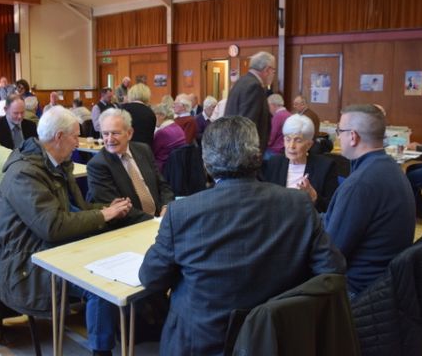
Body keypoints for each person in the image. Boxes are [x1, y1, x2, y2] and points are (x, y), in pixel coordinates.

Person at [139, 116, 345, 356]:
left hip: (201, 340)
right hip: (275, 339)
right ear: (257, 156)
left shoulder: (182, 213)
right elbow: (332, 269)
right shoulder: (298, 203)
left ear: (206, 162)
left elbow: (151, 278)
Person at [0, 106, 131, 356]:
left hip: (56, 250)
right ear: (58, 137)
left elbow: (76, 210)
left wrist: (106, 209)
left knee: (114, 262)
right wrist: (102, 215)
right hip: (28, 265)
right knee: (99, 284)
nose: (79, 142)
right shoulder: (24, 174)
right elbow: (53, 227)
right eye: (75, 137)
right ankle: (102, 351)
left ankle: (126, 328)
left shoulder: (58, 164)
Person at [324, 104, 416, 297]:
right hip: (385, 282)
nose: (338, 136)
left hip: (359, 289)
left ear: (353, 136)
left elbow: (331, 255)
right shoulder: (390, 168)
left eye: (339, 131)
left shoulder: (361, 184)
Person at [87, 108, 174, 226]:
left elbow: (162, 185)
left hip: (161, 217)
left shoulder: (143, 150)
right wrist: (155, 221)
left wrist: (166, 206)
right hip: (133, 226)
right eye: (105, 133)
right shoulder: (98, 165)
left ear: (129, 133)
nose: (109, 139)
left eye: (115, 133)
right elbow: (118, 210)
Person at [261, 114, 338, 212]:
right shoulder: (274, 163)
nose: (291, 146)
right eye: (288, 139)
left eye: (298, 140)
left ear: (309, 145)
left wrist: (314, 197)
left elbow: (333, 208)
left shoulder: (325, 167)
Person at [225, 51, 275, 152]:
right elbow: (248, 124)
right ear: (267, 70)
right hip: (246, 153)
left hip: (234, 147)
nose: (273, 74)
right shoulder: (254, 86)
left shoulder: (240, 82)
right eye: (274, 71)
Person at [152, 103, 186, 172]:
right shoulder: (178, 127)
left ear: (162, 115)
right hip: (178, 168)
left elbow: (151, 153)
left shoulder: (162, 133)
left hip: (163, 168)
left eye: (155, 114)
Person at [264, 93, 291, 159]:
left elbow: (270, 139)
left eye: (268, 105)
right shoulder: (289, 114)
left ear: (273, 105)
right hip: (284, 150)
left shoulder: (277, 116)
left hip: (275, 151)